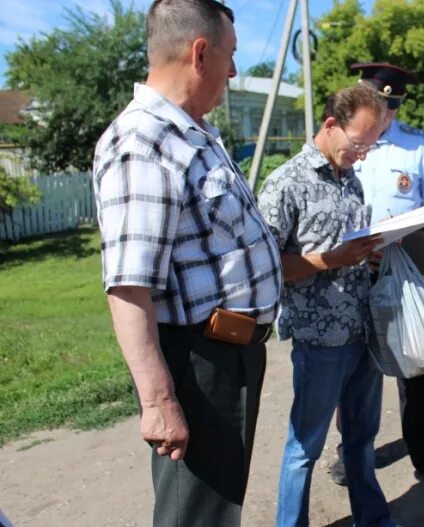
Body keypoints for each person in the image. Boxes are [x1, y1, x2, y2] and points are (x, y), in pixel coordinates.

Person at [92, 1, 283, 525]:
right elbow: (129, 286)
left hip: (228, 351)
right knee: (195, 515)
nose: (235, 71)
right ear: (201, 52)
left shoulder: (190, 131)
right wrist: (158, 401)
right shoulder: (143, 142)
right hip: (198, 363)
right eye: (231, 56)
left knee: (216, 508)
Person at [258, 85, 401, 527]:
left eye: (370, 146)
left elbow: (350, 248)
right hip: (320, 338)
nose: (362, 154)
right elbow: (265, 266)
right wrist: (329, 260)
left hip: (362, 331)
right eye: (358, 143)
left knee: (361, 439)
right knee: (305, 447)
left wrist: (369, 254)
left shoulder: (351, 180)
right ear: (330, 125)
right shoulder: (286, 182)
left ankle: (373, 519)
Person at [326, 62, 424, 490]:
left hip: (403, 273)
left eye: (391, 108)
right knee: (351, 365)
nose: (385, 115)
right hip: (352, 271)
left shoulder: (418, 147)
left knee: (415, 365)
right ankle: (352, 453)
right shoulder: (347, 142)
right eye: (378, 106)